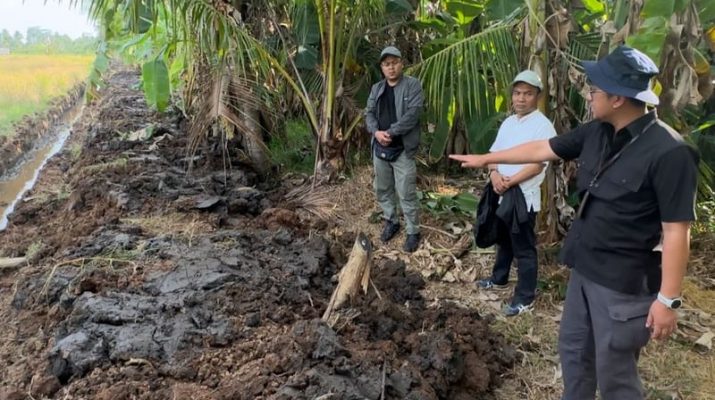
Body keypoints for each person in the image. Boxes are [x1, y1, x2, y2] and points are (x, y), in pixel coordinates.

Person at [450, 46, 699, 399]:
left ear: (617, 98)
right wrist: (486, 158)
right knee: (574, 354)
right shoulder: (595, 132)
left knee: (615, 376)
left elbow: (677, 231)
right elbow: (542, 149)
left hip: (622, 284)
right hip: (583, 271)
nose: (588, 94)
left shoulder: (670, 153)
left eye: (594, 89)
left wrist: (668, 300)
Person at [476, 70, 557, 317]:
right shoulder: (509, 122)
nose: (521, 99)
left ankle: (524, 298)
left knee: (523, 246)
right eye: (518, 93)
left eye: (528, 94)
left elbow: (537, 164)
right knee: (503, 239)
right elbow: (493, 156)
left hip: (523, 195)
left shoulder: (543, 127)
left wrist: (510, 182)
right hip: (500, 190)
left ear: (537, 97)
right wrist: (495, 176)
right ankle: (499, 278)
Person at [365, 46, 424, 252]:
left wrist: (390, 132)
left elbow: (413, 114)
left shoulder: (412, 85)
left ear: (401, 64)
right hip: (380, 148)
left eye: (394, 63)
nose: (391, 68)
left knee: (406, 192)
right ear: (382, 68)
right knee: (383, 188)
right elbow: (369, 113)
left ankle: (413, 231)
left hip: (402, 149)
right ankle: (391, 221)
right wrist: (376, 133)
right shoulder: (377, 88)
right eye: (386, 64)